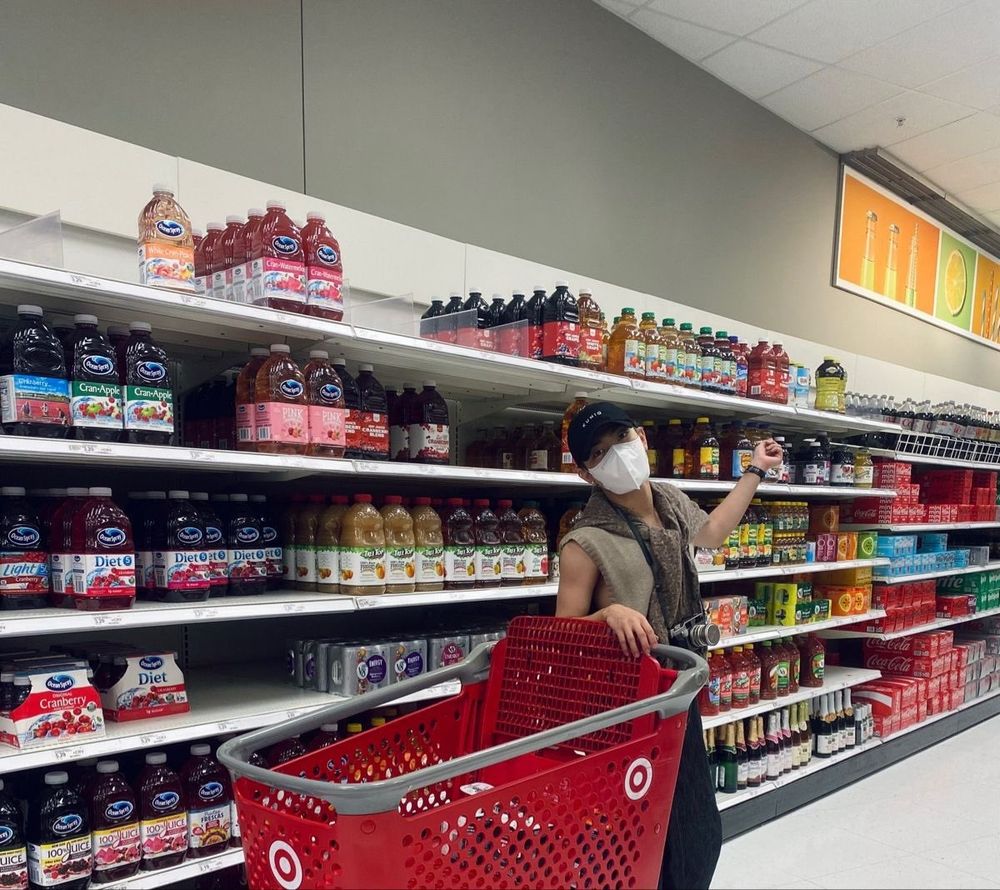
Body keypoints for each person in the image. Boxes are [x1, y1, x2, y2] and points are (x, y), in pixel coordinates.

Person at [557, 402, 783, 890]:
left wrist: (754, 472)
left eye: (620, 439)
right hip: (627, 704)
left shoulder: (670, 501)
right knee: (655, 832)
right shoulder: (585, 540)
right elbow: (563, 630)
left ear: (639, 437)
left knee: (690, 833)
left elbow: (714, 532)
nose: (615, 455)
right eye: (598, 453)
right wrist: (606, 614)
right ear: (585, 473)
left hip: (679, 685)